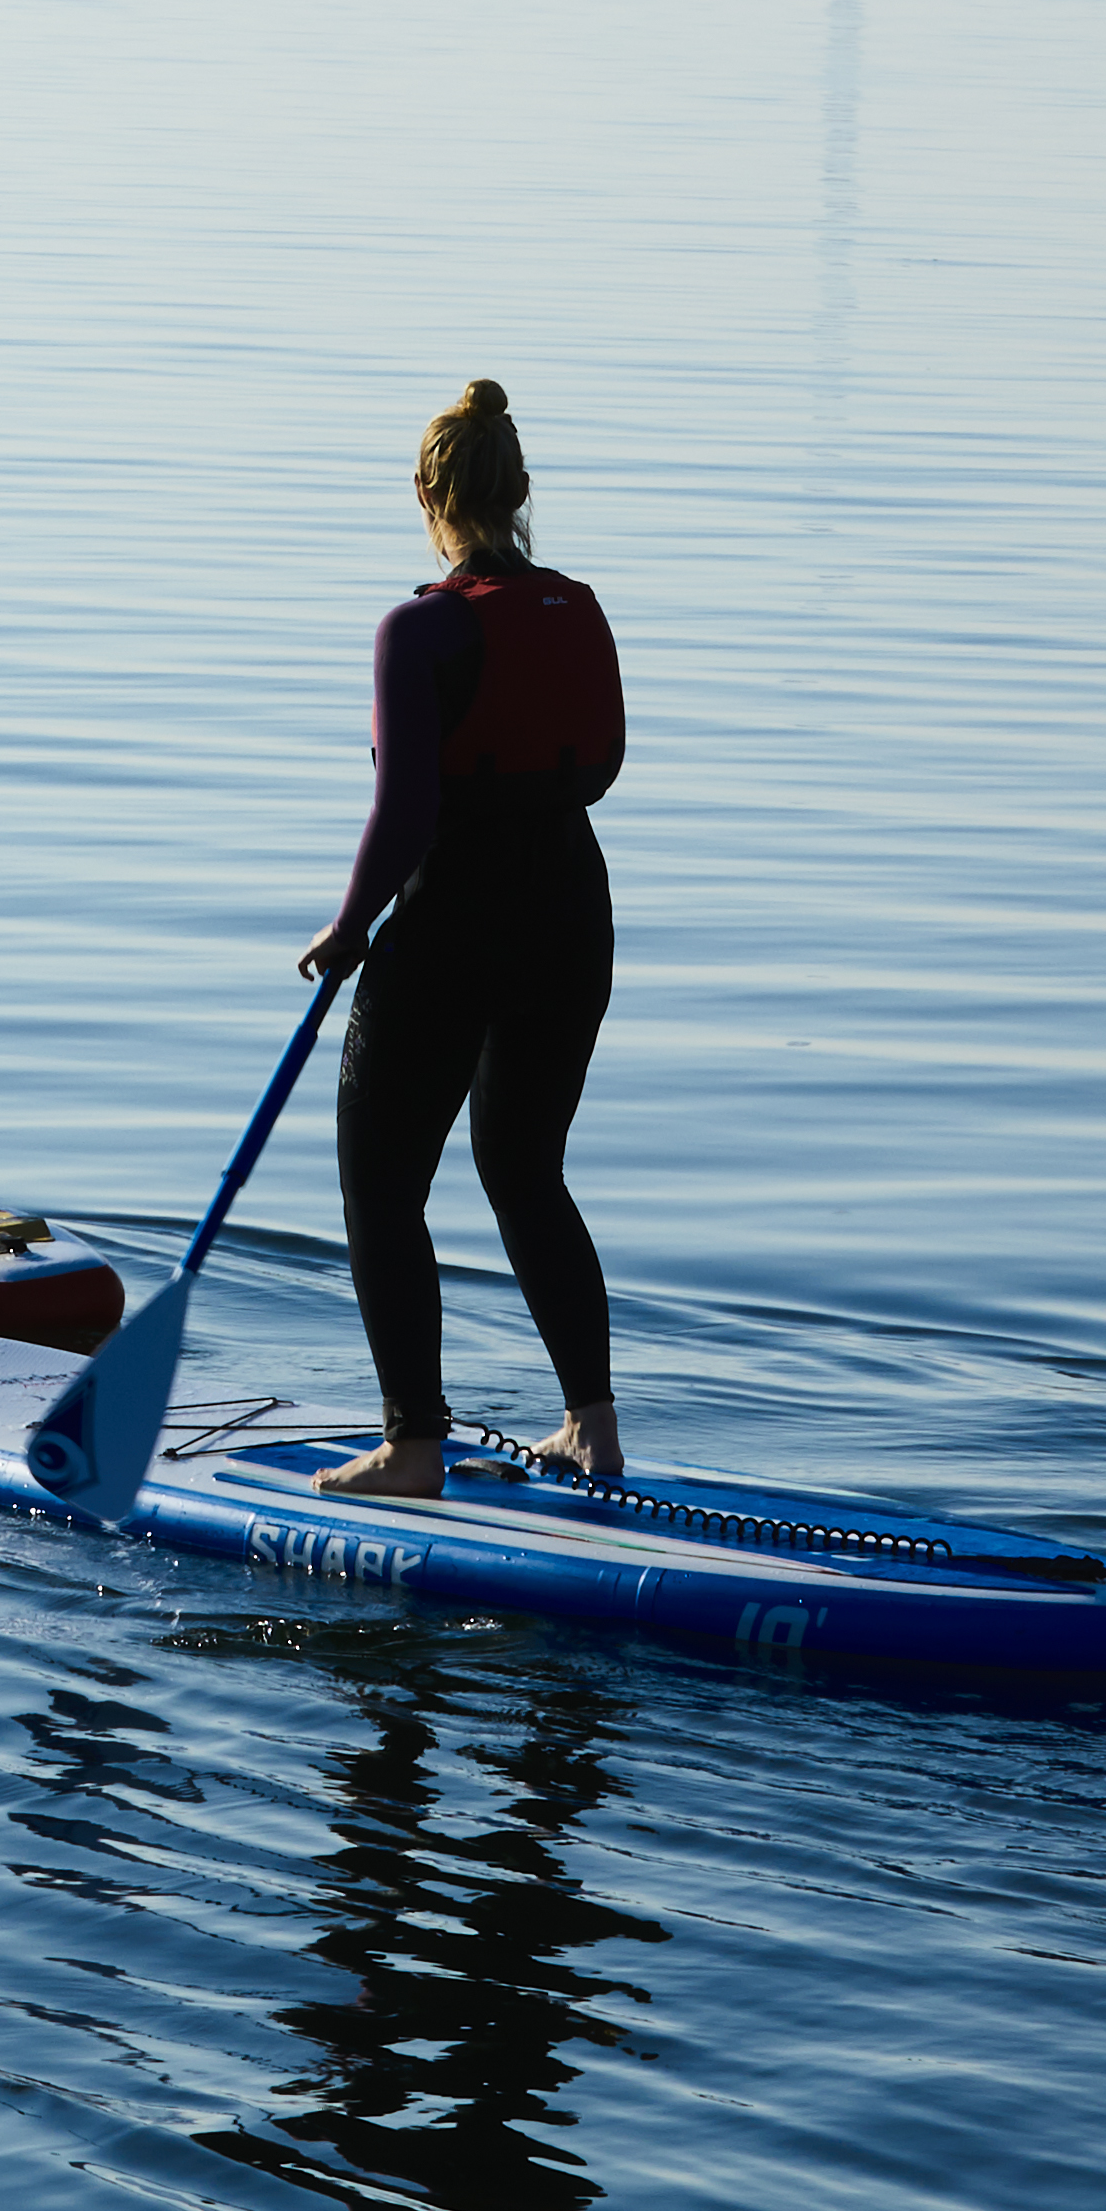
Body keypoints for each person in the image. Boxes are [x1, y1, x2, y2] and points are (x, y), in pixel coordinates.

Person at [300, 382, 630, 1502]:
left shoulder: (420, 627)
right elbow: (600, 767)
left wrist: (350, 926)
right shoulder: (577, 606)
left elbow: (404, 808)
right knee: (524, 1167)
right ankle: (592, 1426)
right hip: (573, 910)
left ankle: (412, 1446)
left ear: (425, 493)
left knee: (382, 1184)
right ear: (521, 490)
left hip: (456, 917)